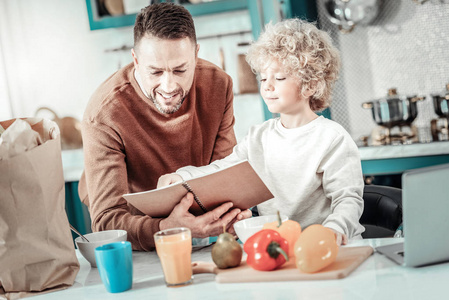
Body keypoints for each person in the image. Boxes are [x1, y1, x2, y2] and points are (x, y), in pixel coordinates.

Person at [158, 19, 365, 245]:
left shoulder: (331, 138)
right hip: (279, 250)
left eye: (280, 78)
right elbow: (223, 170)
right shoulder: (259, 137)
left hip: (325, 249)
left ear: (311, 85)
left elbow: (348, 198)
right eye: (264, 78)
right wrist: (183, 176)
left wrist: (335, 228)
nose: (267, 86)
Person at [78, 3, 251, 251]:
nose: (169, 86)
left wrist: (232, 212)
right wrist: (167, 228)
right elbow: (107, 222)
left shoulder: (218, 84)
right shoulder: (104, 113)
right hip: (140, 236)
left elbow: (224, 177)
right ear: (136, 60)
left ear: (196, 55)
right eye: (155, 72)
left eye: (180, 70)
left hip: (202, 231)